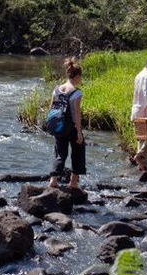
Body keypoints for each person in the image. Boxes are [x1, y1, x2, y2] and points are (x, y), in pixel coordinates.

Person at [48, 57, 86, 188]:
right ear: (77, 76)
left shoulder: (56, 89)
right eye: (80, 77)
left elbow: (51, 108)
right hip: (71, 127)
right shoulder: (77, 92)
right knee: (78, 150)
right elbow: (76, 114)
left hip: (58, 125)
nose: (81, 80)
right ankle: (73, 182)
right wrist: (79, 132)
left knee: (59, 152)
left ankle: (53, 180)